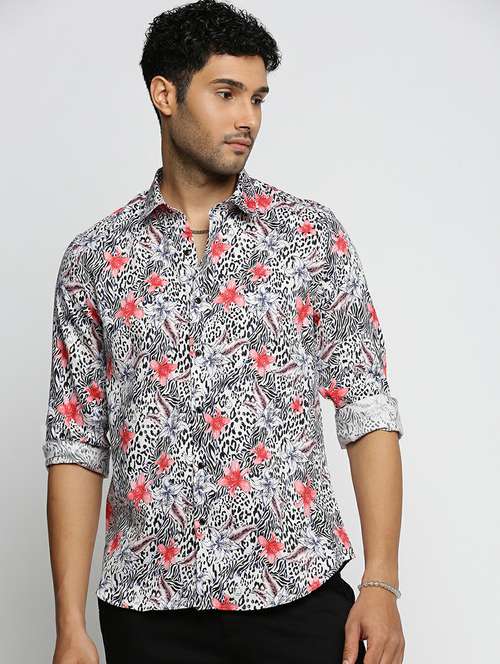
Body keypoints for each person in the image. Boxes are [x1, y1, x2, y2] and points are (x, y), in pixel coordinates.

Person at [42, 1, 406, 663]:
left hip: (298, 597)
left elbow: (368, 408)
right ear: (165, 95)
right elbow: (75, 444)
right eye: (226, 93)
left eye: (258, 98)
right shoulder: (94, 259)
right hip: (148, 612)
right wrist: (69, 625)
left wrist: (380, 583)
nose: (248, 119)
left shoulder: (308, 236)